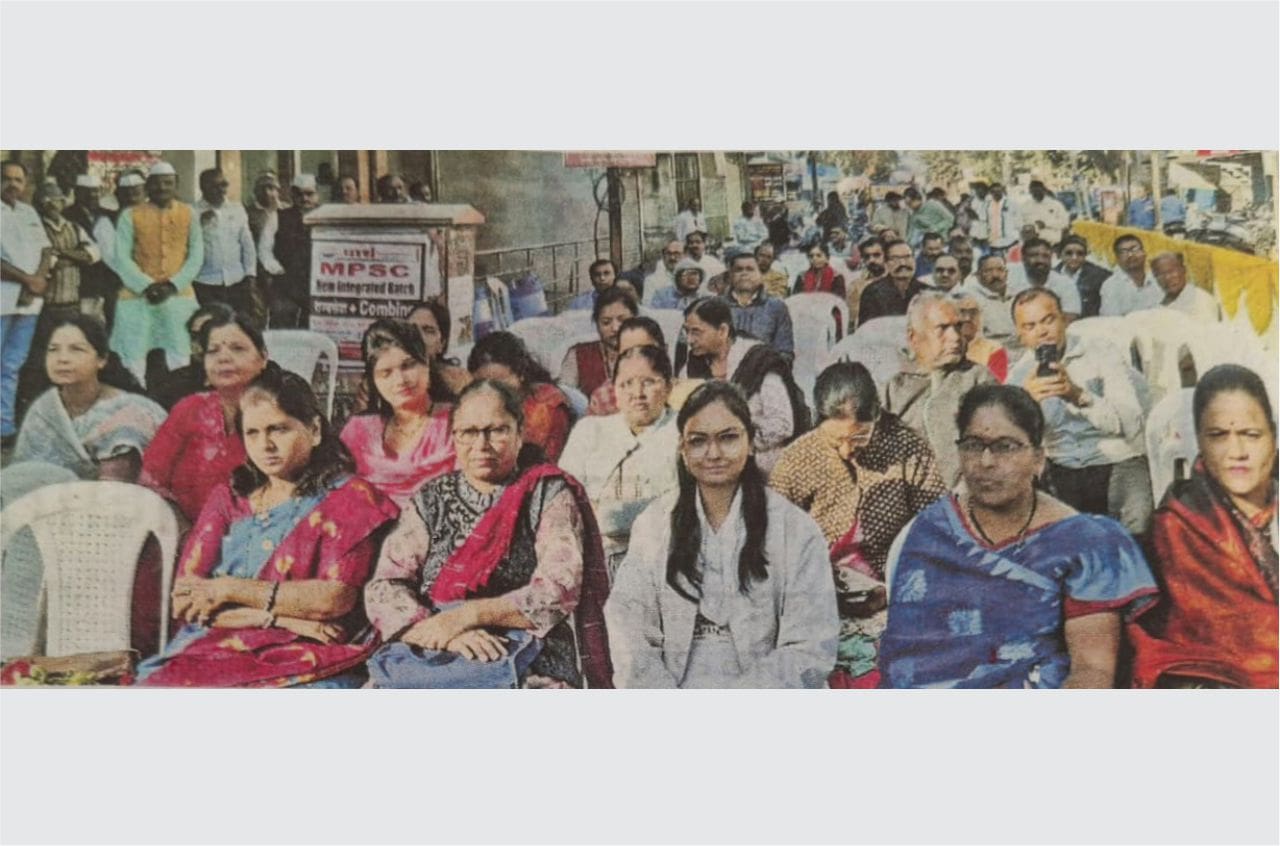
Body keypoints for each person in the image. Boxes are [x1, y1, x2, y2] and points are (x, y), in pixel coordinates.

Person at [879, 384, 1157, 688]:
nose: (986, 461)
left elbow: (1092, 670)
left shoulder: (1085, 542)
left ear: (1038, 459)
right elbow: (904, 657)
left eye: (1005, 446)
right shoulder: (929, 532)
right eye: (973, 445)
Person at [136, 368, 398, 687]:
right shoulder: (228, 499)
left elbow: (333, 599)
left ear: (314, 430)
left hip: (306, 650)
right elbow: (185, 601)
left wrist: (227, 588)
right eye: (253, 433)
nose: (266, 445)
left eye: (278, 429)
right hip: (214, 646)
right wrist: (276, 617)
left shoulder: (350, 500)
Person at [364, 379, 613, 688]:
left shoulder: (546, 492)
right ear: (453, 437)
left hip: (528, 648)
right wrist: (441, 632)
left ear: (520, 434)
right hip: (432, 643)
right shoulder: (430, 498)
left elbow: (558, 587)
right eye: (468, 432)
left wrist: (469, 615)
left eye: (496, 431)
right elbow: (385, 585)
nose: (481, 445)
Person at [604, 381, 839, 688]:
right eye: (698, 441)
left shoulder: (795, 528)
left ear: (751, 442)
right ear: (683, 450)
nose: (713, 453)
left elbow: (810, 644)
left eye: (728, 438)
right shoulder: (654, 524)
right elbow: (628, 626)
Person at [770, 362, 946, 687]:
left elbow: (937, 532)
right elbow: (773, 543)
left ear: (877, 416)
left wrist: (895, 589)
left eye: (860, 437)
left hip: (891, 594)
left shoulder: (908, 449)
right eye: (836, 440)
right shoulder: (797, 459)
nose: (848, 450)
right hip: (814, 598)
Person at [1129, 365, 1278, 688]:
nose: (1237, 452)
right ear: (1199, 442)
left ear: (1274, 436)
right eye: (1218, 436)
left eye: (1251, 435)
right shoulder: (1179, 526)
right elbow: (1173, 644)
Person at [1008, 288, 1154, 534]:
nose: (1042, 332)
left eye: (1048, 320)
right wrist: (1026, 406)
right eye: (1030, 326)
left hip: (1117, 457)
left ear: (1064, 319)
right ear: (1021, 335)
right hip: (1062, 467)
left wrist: (1078, 396)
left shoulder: (1101, 352)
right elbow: (1016, 448)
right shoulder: (1019, 377)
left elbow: (1131, 424)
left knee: (1138, 525)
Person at [560, 345, 682, 575]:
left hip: (662, 558)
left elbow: (674, 507)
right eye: (626, 384)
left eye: (648, 382)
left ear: (668, 386)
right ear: (614, 389)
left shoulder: (682, 432)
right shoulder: (590, 431)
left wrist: (604, 515)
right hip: (592, 559)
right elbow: (564, 498)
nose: (637, 393)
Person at [141, 309, 270, 523]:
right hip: (183, 538)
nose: (224, 358)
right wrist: (184, 534)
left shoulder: (279, 415)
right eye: (213, 351)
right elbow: (151, 481)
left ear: (262, 358)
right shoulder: (189, 409)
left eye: (237, 349)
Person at [13, 314, 165, 481]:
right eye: (53, 350)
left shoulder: (130, 412)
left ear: (101, 360)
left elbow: (118, 490)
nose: (62, 359)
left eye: (76, 349)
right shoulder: (43, 410)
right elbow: (24, 475)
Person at [883, 290, 997, 486]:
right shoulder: (894, 388)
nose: (954, 337)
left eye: (958, 327)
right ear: (913, 338)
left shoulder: (979, 379)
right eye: (942, 328)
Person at [680, 297, 804, 475]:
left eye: (696, 332)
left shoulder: (759, 361)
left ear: (722, 330)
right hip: (712, 461)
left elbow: (783, 424)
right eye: (687, 332)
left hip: (761, 463)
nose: (690, 340)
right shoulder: (692, 367)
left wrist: (737, 444)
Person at [340, 320, 456, 508]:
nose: (400, 380)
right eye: (386, 373)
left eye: (408, 365)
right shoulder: (358, 432)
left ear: (426, 363)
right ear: (373, 380)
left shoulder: (456, 422)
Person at [110, 161, 204, 381]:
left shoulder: (189, 214)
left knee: (180, 355)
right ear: (148, 186)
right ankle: (136, 406)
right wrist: (147, 286)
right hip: (137, 297)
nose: (162, 188)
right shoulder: (129, 215)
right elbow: (121, 258)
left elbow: (197, 255)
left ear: (176, 185)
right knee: (133, 358)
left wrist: (172, 285)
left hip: (178, 296)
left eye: (168, 183)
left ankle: (178, 405)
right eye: (157, 184)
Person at [467, 331, 572, 462]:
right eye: (482, 384)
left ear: (520, 374)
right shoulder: (473, 405)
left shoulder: (547, 407)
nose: (492, 391)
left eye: (500, 383)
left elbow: (549, 465)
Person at [191, 168, 258, 319]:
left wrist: (250, 275)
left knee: (240, 326)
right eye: (215, 186)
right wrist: (200, 224)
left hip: (237, 281)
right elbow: (187, 244)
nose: (221, 190)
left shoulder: (237, 209)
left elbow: (247, 245)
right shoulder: (192, 212)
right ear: (203, 187)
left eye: (224, 185)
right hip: (205, 283)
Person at [147, 302, 234, 410]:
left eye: (205, 334)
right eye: (194, 336)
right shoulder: (174, 383)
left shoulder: (246, 383)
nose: (198, 344)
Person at [64, 173, 123, 330]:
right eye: (86, 191)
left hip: (111, 282)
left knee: (113, 327)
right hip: (84, 283)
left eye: (95, 191)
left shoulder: (109, 215)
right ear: (77, 192)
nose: (92, 195)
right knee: (87, 327)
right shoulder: (67, 216)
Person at [560, 286, 638, 396]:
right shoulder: (578, 355)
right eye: (606, 322)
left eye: (622, 320)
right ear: (597, 325)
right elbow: (565, 396)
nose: (615, 328)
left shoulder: (649, 354)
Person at [270, 174, 318, 328]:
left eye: (309, 193)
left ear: (317, 194)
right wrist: (277, 269)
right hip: (286, 283)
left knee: (313, 324)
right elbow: (264, 249)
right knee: (282, 323)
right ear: (292, 195)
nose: (304, 198)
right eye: (299, 194)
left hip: (315, 282)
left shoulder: (325, 217)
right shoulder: (278, 217)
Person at [725, 250, 793, 358]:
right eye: (738, 270)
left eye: (750, 269)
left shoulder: (776, 307)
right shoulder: (716, 306)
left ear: (761, 274)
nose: (744, 274)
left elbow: (785, 352)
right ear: (731, 275)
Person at [406, 300, 472, 398]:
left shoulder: (458, 384)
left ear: (441, 344)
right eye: (411, 328)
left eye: (428, 331)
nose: (418, 336)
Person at [1006, 237, 1082, 319]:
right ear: (1023, 258)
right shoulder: (1010, 277)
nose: (1040, 260)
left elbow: (1070, 317)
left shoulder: (1065, 284)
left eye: (1045, 256)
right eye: (1034, 255)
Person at [858, 240, 927, 327]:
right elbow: (866, 332)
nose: (903, 263)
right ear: (886, 263)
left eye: (907, 257)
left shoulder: (926, 291)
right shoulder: (873, 292)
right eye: (895, 258)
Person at [245, 171, 283, 329]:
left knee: (280, 314)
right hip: (257, 272)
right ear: (256, 191)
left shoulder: (285, 211)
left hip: (281, 274)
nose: (269, 193)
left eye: (272, 188)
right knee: (257, 314)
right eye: (264, 188)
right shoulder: (248, 213)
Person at [950, 290, 1008, 382]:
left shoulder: (992, 349)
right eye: (962, 312)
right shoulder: (943, 347)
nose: (967, 318)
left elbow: (997, 386)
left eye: (973, 313)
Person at [1100, 234, 1161, 317]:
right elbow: (1111, 321)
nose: (1130, 255)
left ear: (1144, 253)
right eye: (1123, 252)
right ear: (1117, 259)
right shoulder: (1111, 286)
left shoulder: (1158, 279)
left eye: (1134, 249)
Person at [962, 253, 1017, 345]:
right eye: (988, 271)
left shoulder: (1018, 296)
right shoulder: (972, 300)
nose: (995, 275)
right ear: (978, 276)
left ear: (1006, 273)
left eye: (1000, 270)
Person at [1149, 251, 1220, 322]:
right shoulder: (1157, 306)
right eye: (1159, 275)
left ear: (1183, 270)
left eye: (1171, 271)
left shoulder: (1201, 299)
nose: (1167, 278)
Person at [1054, 234, 1110, 319]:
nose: (1074, 258)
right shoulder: (1052, 274)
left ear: (1085, 255)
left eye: (1080, 254)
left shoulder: (1100, 276)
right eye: (1069, 253)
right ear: (1060, 254)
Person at [845, 237, 886, 329]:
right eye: (867, 256)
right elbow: (852, 321)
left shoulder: (898, 281)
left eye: (877, 255)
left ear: (886, 256)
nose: (871, 260)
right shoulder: (856, 286)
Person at [1020, 180, 1069, 247]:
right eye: (1033, 192)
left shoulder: (1056, 205)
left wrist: (1046, 224)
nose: (1036, 194)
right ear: (1030, 192)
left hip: (1052, 244)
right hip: (1032, 245)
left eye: (1038, 191)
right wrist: (1031, 227)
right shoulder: (1025, 206)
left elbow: (1064, 222)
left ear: (1044, 190)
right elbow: (1020, 223)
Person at [642, 240, 684, 304]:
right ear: (663, 256)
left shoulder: (693, 280)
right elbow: (647, 307)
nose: (672, 258)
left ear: (685, 255)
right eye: (669, 253)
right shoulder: (651, 281)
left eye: (676, 253)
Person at [986, 182, 1022, 254]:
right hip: (994, 242)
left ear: (1002, 190)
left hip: (1010, 241)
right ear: (990, 193)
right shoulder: (988, 205)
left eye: (998, 191)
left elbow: (1019, 221)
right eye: (993, 191)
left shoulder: (1012, 203)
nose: (996, 193)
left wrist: (1016, 235)